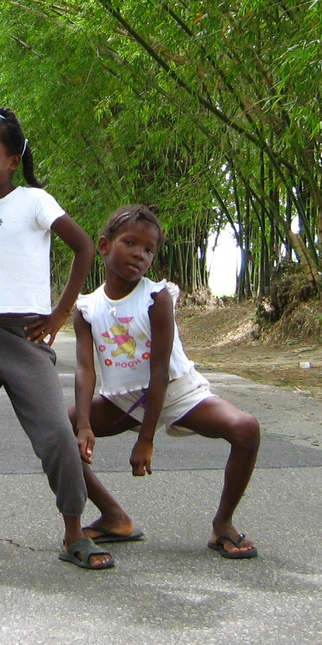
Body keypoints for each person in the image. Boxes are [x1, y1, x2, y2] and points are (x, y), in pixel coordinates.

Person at [0, 107, 111, 570]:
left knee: (56, 434)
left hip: (25, 334)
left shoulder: (35, 200)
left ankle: (74, 533)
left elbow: (85, 247)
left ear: (13, 159)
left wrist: (58, 315)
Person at [71, 204, 262, 559]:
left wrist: (146, 440)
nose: (139, 255)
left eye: (149, 250)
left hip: (176, 392)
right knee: (55, 429)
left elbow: (158, 372)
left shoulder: (157, 297)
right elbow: (85, 370)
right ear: (103, 245)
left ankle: (223, 525)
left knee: (246, 428)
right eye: (130, 243)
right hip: (123, 399)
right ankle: (114, 517)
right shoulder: (86, 307)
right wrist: (83, 424)